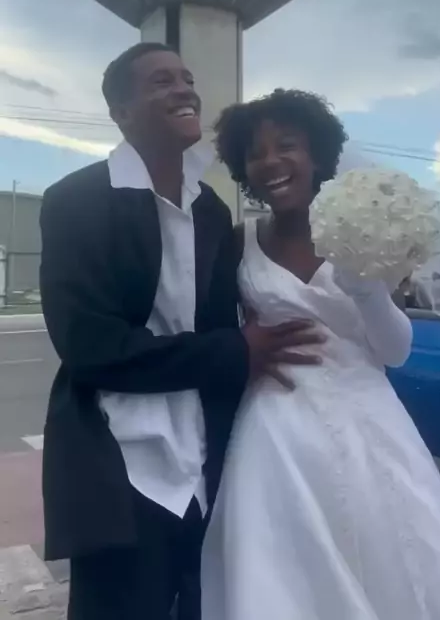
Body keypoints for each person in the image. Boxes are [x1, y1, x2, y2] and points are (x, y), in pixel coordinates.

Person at [39, 46, 324, 620]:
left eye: (188, 78)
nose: (184, 89)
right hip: (121, 465)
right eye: (161, 81)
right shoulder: (76, 201)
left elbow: (223, 322)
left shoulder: (210, 209)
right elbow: (88, 346)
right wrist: (233, 350)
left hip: (206, 459)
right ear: (121, 112)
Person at [202, 88, 440, 620]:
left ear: (317, 155)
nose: (271, 161)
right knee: (282, 574)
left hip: (370, 429)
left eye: (287, 145)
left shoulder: (366, 230)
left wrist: (368, 290)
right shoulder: (241, 241)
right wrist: (243, 346)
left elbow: (394, 353)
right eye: (256, 153)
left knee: (393, 560)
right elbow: (219, 329)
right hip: (276, 432)